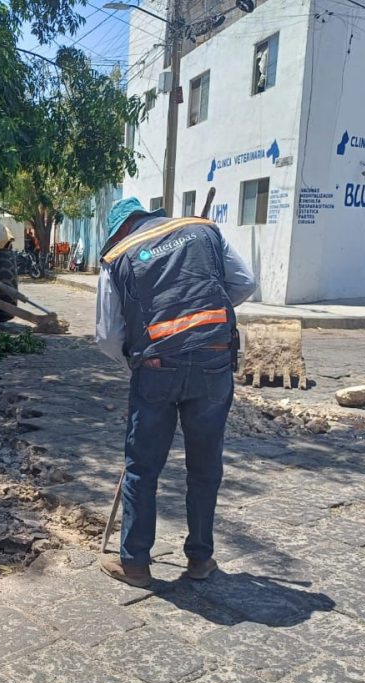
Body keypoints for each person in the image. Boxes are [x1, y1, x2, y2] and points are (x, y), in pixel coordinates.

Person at [95, 197, 255, 587]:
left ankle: (135, 564)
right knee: (205, 466)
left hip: (156, 368)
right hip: (213, 360)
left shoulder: (117, 256)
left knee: (142, 467)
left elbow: (107, 336)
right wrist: (198, 316)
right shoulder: (204, 231)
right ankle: (200, 558)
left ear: (120, 229)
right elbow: (244, 283)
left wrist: (134, 361)